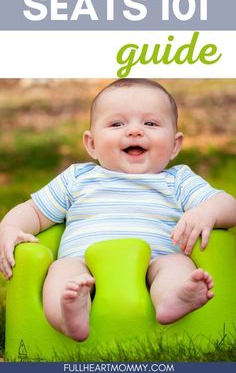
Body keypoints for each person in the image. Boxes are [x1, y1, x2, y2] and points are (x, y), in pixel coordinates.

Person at [0, 78, 236, 342]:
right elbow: (34, 211)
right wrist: (10, 227)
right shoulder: (77, 178)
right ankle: (69, 314)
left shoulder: (178, 181)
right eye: (117, 124)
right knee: (61, 273)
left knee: (176, 265)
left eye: (151, 123)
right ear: (91, 143)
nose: (135, 131)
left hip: (153, 265)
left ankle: (174, 299)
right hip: (83, 264)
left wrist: (206, 212)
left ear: (174, 144)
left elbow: (229, 205)